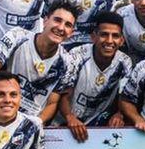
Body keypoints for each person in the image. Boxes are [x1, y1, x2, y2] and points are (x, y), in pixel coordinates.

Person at [0, 0, 80, 123]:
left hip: (28, 122)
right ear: (45, 20)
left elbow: (52, 103)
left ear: (71, 33)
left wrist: (35, 124)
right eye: (57, 20)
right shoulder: (17, 37)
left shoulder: (68, 63)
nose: (61, 27)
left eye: (68, 25)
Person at [57, 11, 133, 141]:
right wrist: (70, 117)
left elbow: (124, 96)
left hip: (100, 126)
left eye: (115, 36)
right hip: (67, 124)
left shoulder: (125, 62)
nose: (109, 41)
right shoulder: (77, 55)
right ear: (94, 36)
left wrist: (119, 114)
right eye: (104, 34)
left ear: (121, 40)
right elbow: (64, 94)